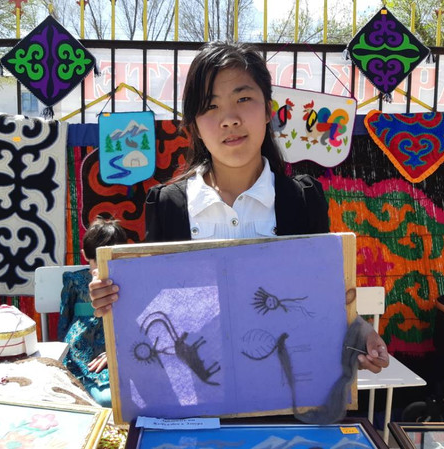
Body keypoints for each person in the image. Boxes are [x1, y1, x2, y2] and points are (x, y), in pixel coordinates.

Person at [88, 41, 389, 374]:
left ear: (268, 110)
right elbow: (157, 305)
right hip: (200, 390)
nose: (229, 119)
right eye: (210, 106)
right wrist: (115, 303)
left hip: (284, 389)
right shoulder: (167, 206)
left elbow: (319, 295)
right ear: (194, 125)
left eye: (243, 99)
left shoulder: (303, 200)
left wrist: (358, 330)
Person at [58, 216, 127, 407]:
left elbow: (64, 320)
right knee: (105, 396)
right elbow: (65, 317)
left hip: (113, 348)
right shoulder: (74, 280)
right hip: (82, 351)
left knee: (108, 396)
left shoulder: (127, 282)